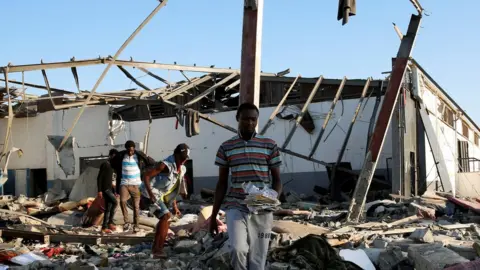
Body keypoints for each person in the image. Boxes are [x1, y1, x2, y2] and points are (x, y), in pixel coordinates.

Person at [209, 103, 282, 270]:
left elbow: (277, 180)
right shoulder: (226, 147)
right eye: (245, 119)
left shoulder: (269, 145)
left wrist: (272, 198)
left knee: (258, 257)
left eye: (253, 119)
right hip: (236, 205)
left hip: (262, 206)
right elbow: (221, 183)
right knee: (238, 248)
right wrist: (213, 216)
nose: (250, 123)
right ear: (237, 119)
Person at [140, 143, 190, 258]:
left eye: (185, 159)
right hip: (148, 194)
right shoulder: (165, 165)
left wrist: (175, 206)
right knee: (165, 216)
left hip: (159, 195)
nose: (182, 161)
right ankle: (157, 249)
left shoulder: (182, 169)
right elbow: (146, 176)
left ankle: (157, 247)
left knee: (166, 219)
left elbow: (173, 189)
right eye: (181, 158)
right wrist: (151, 194)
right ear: (176, 154)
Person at [112, 140, 155, 232]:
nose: (130, 152)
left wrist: (143, 171)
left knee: (136, 206)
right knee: (122, 201)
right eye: (128, 150)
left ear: (134, 149)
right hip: (124, 183)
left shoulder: (139, 156)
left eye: (132, 150)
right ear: (126, 149)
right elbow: (112, 162)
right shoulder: (121, 156)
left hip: (136, 185)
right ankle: (127, 222)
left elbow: (152, 163)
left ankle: (136, 225)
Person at [97, 149, 119, 234]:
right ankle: (110, 222)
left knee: (108, 208)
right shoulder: (105, 164)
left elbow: (113, 180)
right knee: (115, 202)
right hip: (105, 189)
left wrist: (115, 191)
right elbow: (99, 178)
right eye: (114, 156)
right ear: (111, 155)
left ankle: (104, 227)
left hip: (111, 189)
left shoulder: (113, 167)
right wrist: (99, 190)